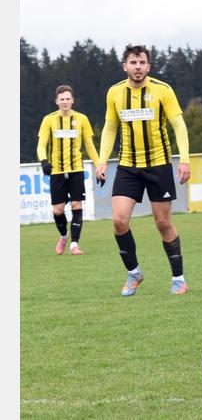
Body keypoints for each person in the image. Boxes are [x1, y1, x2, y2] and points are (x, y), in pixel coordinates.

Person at [95, 45, 191, 297]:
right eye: (133, 62)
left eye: (142, 62)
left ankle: (178, 278)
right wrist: (102, 160)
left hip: (159, 165)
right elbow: (109, 127)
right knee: (118, 220)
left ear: (148, 66)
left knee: (162, 222)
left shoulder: (162, 90)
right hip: (127, 166)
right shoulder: (115, 93)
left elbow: (178, 125)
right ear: (124, 66)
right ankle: (134, 273)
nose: (137, 67)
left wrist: (184, 160)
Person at [37, 85, 100, 256]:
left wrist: (99, 165)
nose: (65, 102)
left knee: (76, 205)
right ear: (57, 101)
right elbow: (41, 145)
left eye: (68, 98)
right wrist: (44, 162)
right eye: (62, 99)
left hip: (76, 170)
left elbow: (89, 146)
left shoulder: (82, 119)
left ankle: (74, 245)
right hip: (57, 172)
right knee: (58, 210)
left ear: (72, 100)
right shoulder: (48, 120)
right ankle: (64, 236)